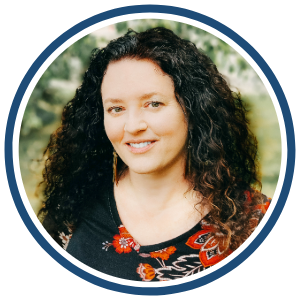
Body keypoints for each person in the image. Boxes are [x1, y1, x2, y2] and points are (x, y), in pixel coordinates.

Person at [39, 27, 271, 281]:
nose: (133, 126)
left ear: (192, 110)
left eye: (153, 104)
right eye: (116, 108)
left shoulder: (258, 223)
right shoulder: (71, 209)